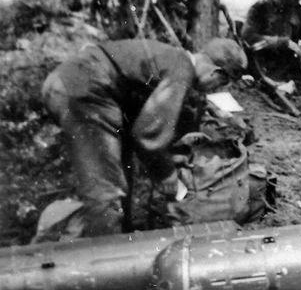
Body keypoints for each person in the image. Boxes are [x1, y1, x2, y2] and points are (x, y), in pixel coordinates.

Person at [40, 37, 248, 238]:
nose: (215, 88)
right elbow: (147, 134)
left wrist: (162, 160)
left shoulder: (172, 58)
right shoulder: (182, 70)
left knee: (119, 170)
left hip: (71, 84)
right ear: (217, 73)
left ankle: (122, 239)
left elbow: (137, 124)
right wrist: (166, 173)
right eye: (221, 82)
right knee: (106, 191)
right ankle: (106, 263)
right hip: (83, 90)